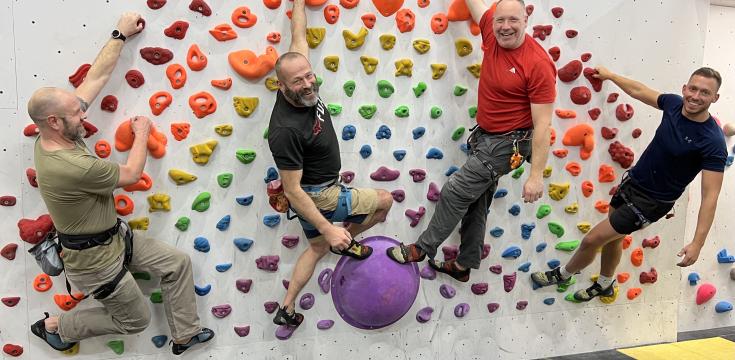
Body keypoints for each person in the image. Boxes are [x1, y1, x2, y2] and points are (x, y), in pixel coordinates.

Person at [27, 12, 213, 355]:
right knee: (135, 321)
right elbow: (129, 175)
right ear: (54, 121)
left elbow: (94, 79)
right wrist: (142, 132)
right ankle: (57, 327)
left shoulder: (51, 134)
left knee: (177, 263)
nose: (84, 114)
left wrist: (119, 34)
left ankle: (184, 334)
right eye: (77, 114)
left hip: (114, 237)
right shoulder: (70, 164)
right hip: (94, 262)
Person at [386, 0, 555, 282]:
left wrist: (536, 175)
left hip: (509, 144)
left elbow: (543, 125)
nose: (505, 27)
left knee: (455, 191)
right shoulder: (492, 30)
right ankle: (463, 266)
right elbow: (477, 5)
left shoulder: (537, 64)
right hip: (486, 138)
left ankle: (422, 248)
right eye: (500, 20)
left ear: (526, 19)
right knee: (475, 202)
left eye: (513, 20)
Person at [531, 66, 727, 302]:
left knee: (592, 240)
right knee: (613, 238)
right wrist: (611, 76)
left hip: (652, 202)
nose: (695, 96)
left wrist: (697, 243)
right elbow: (639, 90)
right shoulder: (674, 104)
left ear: (715, 98)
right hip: (632, 184)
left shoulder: (713, 141)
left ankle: (563, 274)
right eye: (693, 88)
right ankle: (604, 284)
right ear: (684, 88)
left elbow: (710, 197)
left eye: (704, 93)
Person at [267, 0, 393, 331]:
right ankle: (346, 242)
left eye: (309, 75)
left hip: (319, 190)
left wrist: (296, 3)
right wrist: (329, 227)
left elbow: (299, 34)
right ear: (281, 86)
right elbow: (293, 191)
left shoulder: (299, 73)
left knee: (317, 248)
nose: (308, 84)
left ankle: (287, 307)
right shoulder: (285, 130)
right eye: (298, 82)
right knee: (383, 202)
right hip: (318, 194)